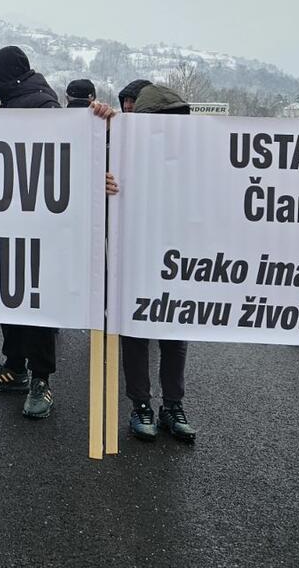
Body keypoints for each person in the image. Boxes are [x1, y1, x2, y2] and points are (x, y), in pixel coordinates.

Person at [0, 46, 64, 418]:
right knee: (12, 297)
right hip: (12, 221)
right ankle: (15, 367)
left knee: (36, 304)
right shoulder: (20, 103)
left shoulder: (40, 107)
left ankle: (40, 379)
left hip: (37, 223)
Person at [120, 82, 196, 443]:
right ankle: (141, 406)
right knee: (136, 332)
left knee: (174, 333)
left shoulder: (195, 158)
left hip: (178, 260)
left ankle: (172, 406)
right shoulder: (121, 151)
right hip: (136, 256)